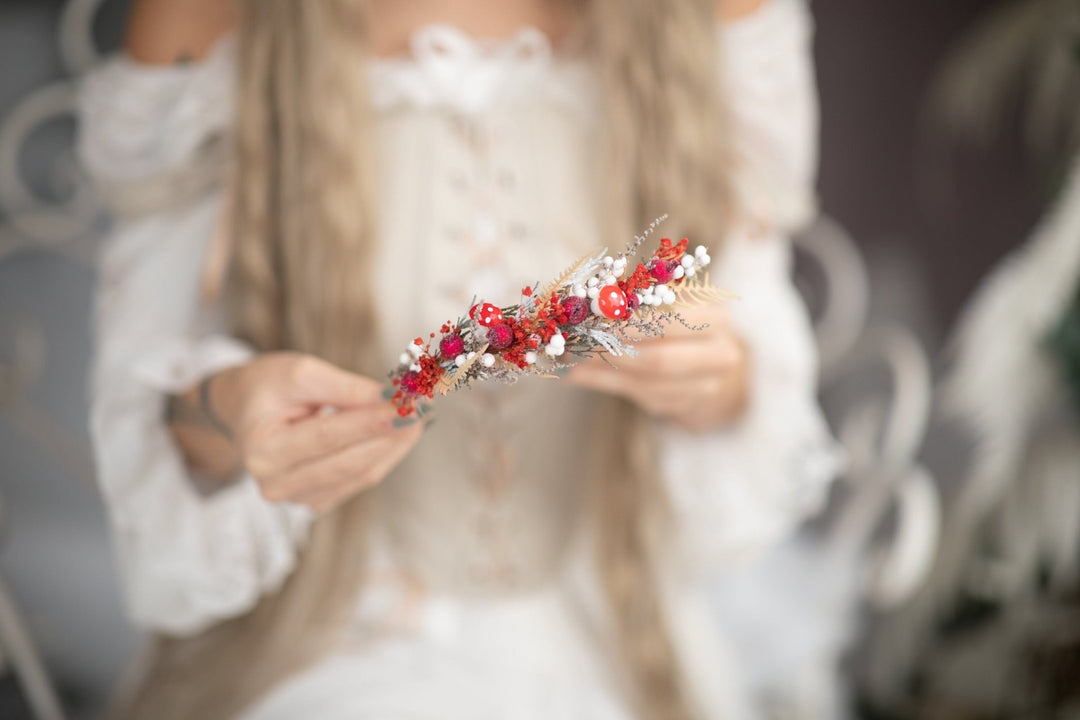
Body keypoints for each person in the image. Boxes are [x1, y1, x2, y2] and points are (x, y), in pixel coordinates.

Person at [81, 0, 837, 717]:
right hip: (320, 646)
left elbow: (753, 427)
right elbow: (148, 416)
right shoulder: (211, 16)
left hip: (615, 640)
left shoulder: (713, 17)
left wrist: (717, 388)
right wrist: (230, 412)